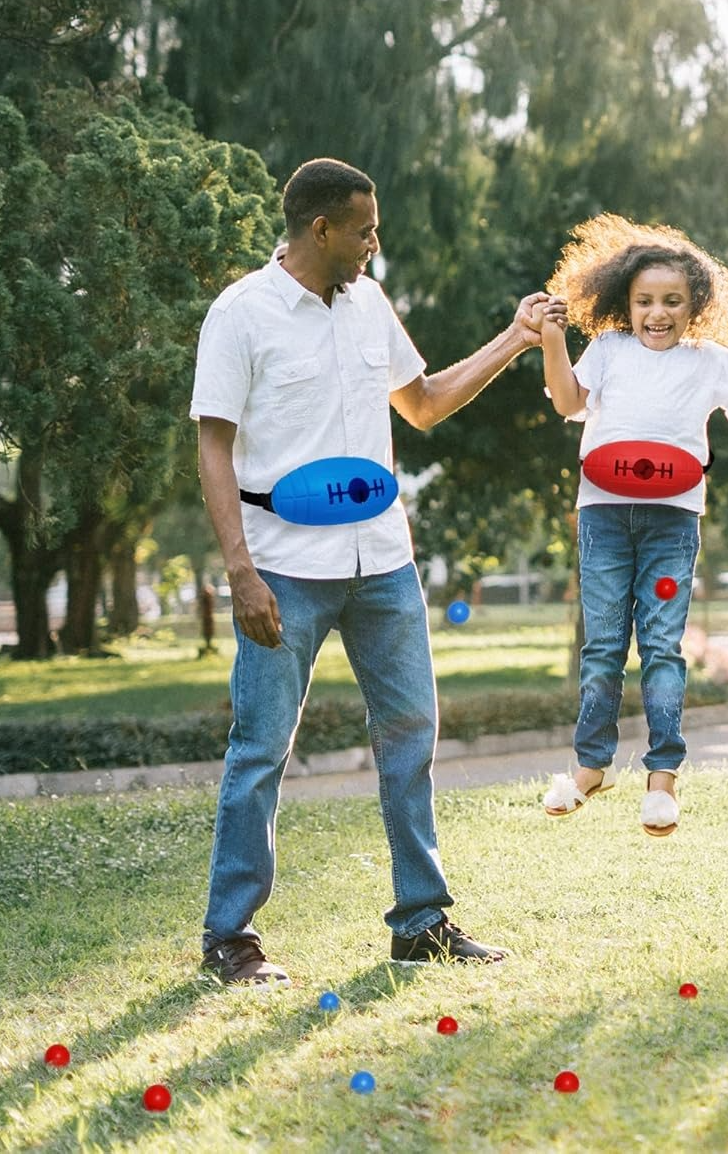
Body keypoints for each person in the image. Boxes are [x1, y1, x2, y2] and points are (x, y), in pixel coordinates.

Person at [191, 157, 553, 985]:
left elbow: (421, 402)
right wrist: (240, 572)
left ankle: (420, 922)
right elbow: (211, 447)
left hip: (382, 560)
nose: (373, 243)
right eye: (363, 228)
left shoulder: (368, 304)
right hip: (282, 566)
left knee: (410, 735)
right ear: (320, 228)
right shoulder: (241, 314)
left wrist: (513, 338)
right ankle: (230, 937)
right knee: (260, 749)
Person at [534, 214, 728, 837]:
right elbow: (568, 403)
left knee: (662, 644)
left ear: (697, 305)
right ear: (624, 304)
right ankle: (591, 767)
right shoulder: (608, 350)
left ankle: (663, 778)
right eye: (643, 302)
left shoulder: (709, 361)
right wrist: (553, 340)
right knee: (604, 645)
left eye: (671, 301)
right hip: (603, 516)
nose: (656, 314)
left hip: (672, 520)